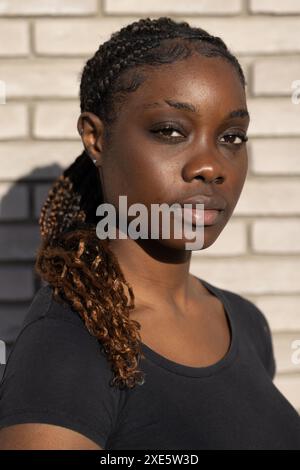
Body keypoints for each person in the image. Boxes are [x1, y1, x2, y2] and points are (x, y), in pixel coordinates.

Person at [0, 16, 299, 450]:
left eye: (232, 137)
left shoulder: (246, 323)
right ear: (96, 138)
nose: (211, 166)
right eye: (170, 131)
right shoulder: (66, 346)